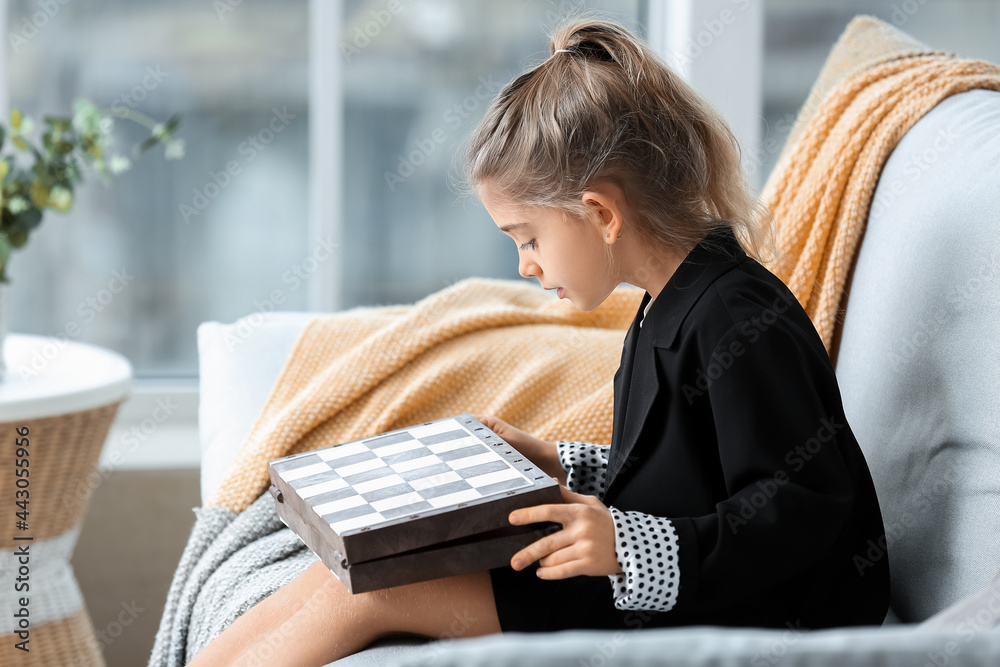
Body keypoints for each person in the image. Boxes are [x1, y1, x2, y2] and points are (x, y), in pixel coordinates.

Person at [185, 14, 889, 667]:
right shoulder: (665, 304)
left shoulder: (735, 316)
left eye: (528, 238)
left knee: (375, 589)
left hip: (729, 609)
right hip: (664, 582)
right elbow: (687, 472)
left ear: (601, 213)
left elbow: (803, 505)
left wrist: (627, 545)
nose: (524, 264)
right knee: (342, 571)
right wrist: (561, 462)